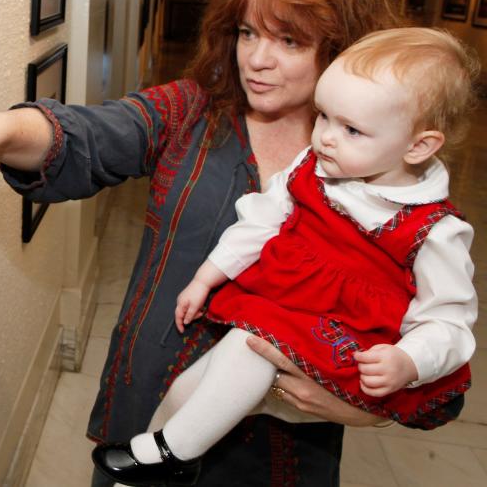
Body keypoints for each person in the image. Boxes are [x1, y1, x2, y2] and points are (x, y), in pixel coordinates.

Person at [0, 0, 450, 485]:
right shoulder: (193, 114)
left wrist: (368, 408)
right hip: (148, 412)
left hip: (278, 455)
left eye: (289, 40)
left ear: (344, 48)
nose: (257, 60)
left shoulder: (398, 188)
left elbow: (441, 349)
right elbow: (88, 134)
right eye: (248, 33)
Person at [90, 27, 478, 486]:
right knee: (192, 386)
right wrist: (207, 277)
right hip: (285, 311)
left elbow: (449, 321)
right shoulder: (311, 167)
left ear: (418, 146)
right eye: (324, 118)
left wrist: (409, 360)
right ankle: (162, 452)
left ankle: (172, 452)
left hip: (345, 343)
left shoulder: (434, 231)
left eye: (352, 129)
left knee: (249, 345)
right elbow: (261, 220)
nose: (326, 139)